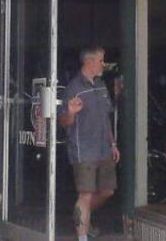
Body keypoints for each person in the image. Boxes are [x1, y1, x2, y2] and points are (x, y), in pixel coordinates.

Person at [58, 45, 119, 241]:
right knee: (85, 195)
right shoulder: (74, 88)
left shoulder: (101, 84)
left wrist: (113, 144)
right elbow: (63, 122)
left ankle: (81, 216)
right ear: (89, 61)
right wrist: (70, 113)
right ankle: (82, 236)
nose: (104, 64)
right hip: (83, 150)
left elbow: (105, 118)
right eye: (101, 60)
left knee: (107, 191)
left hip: (103, 148)